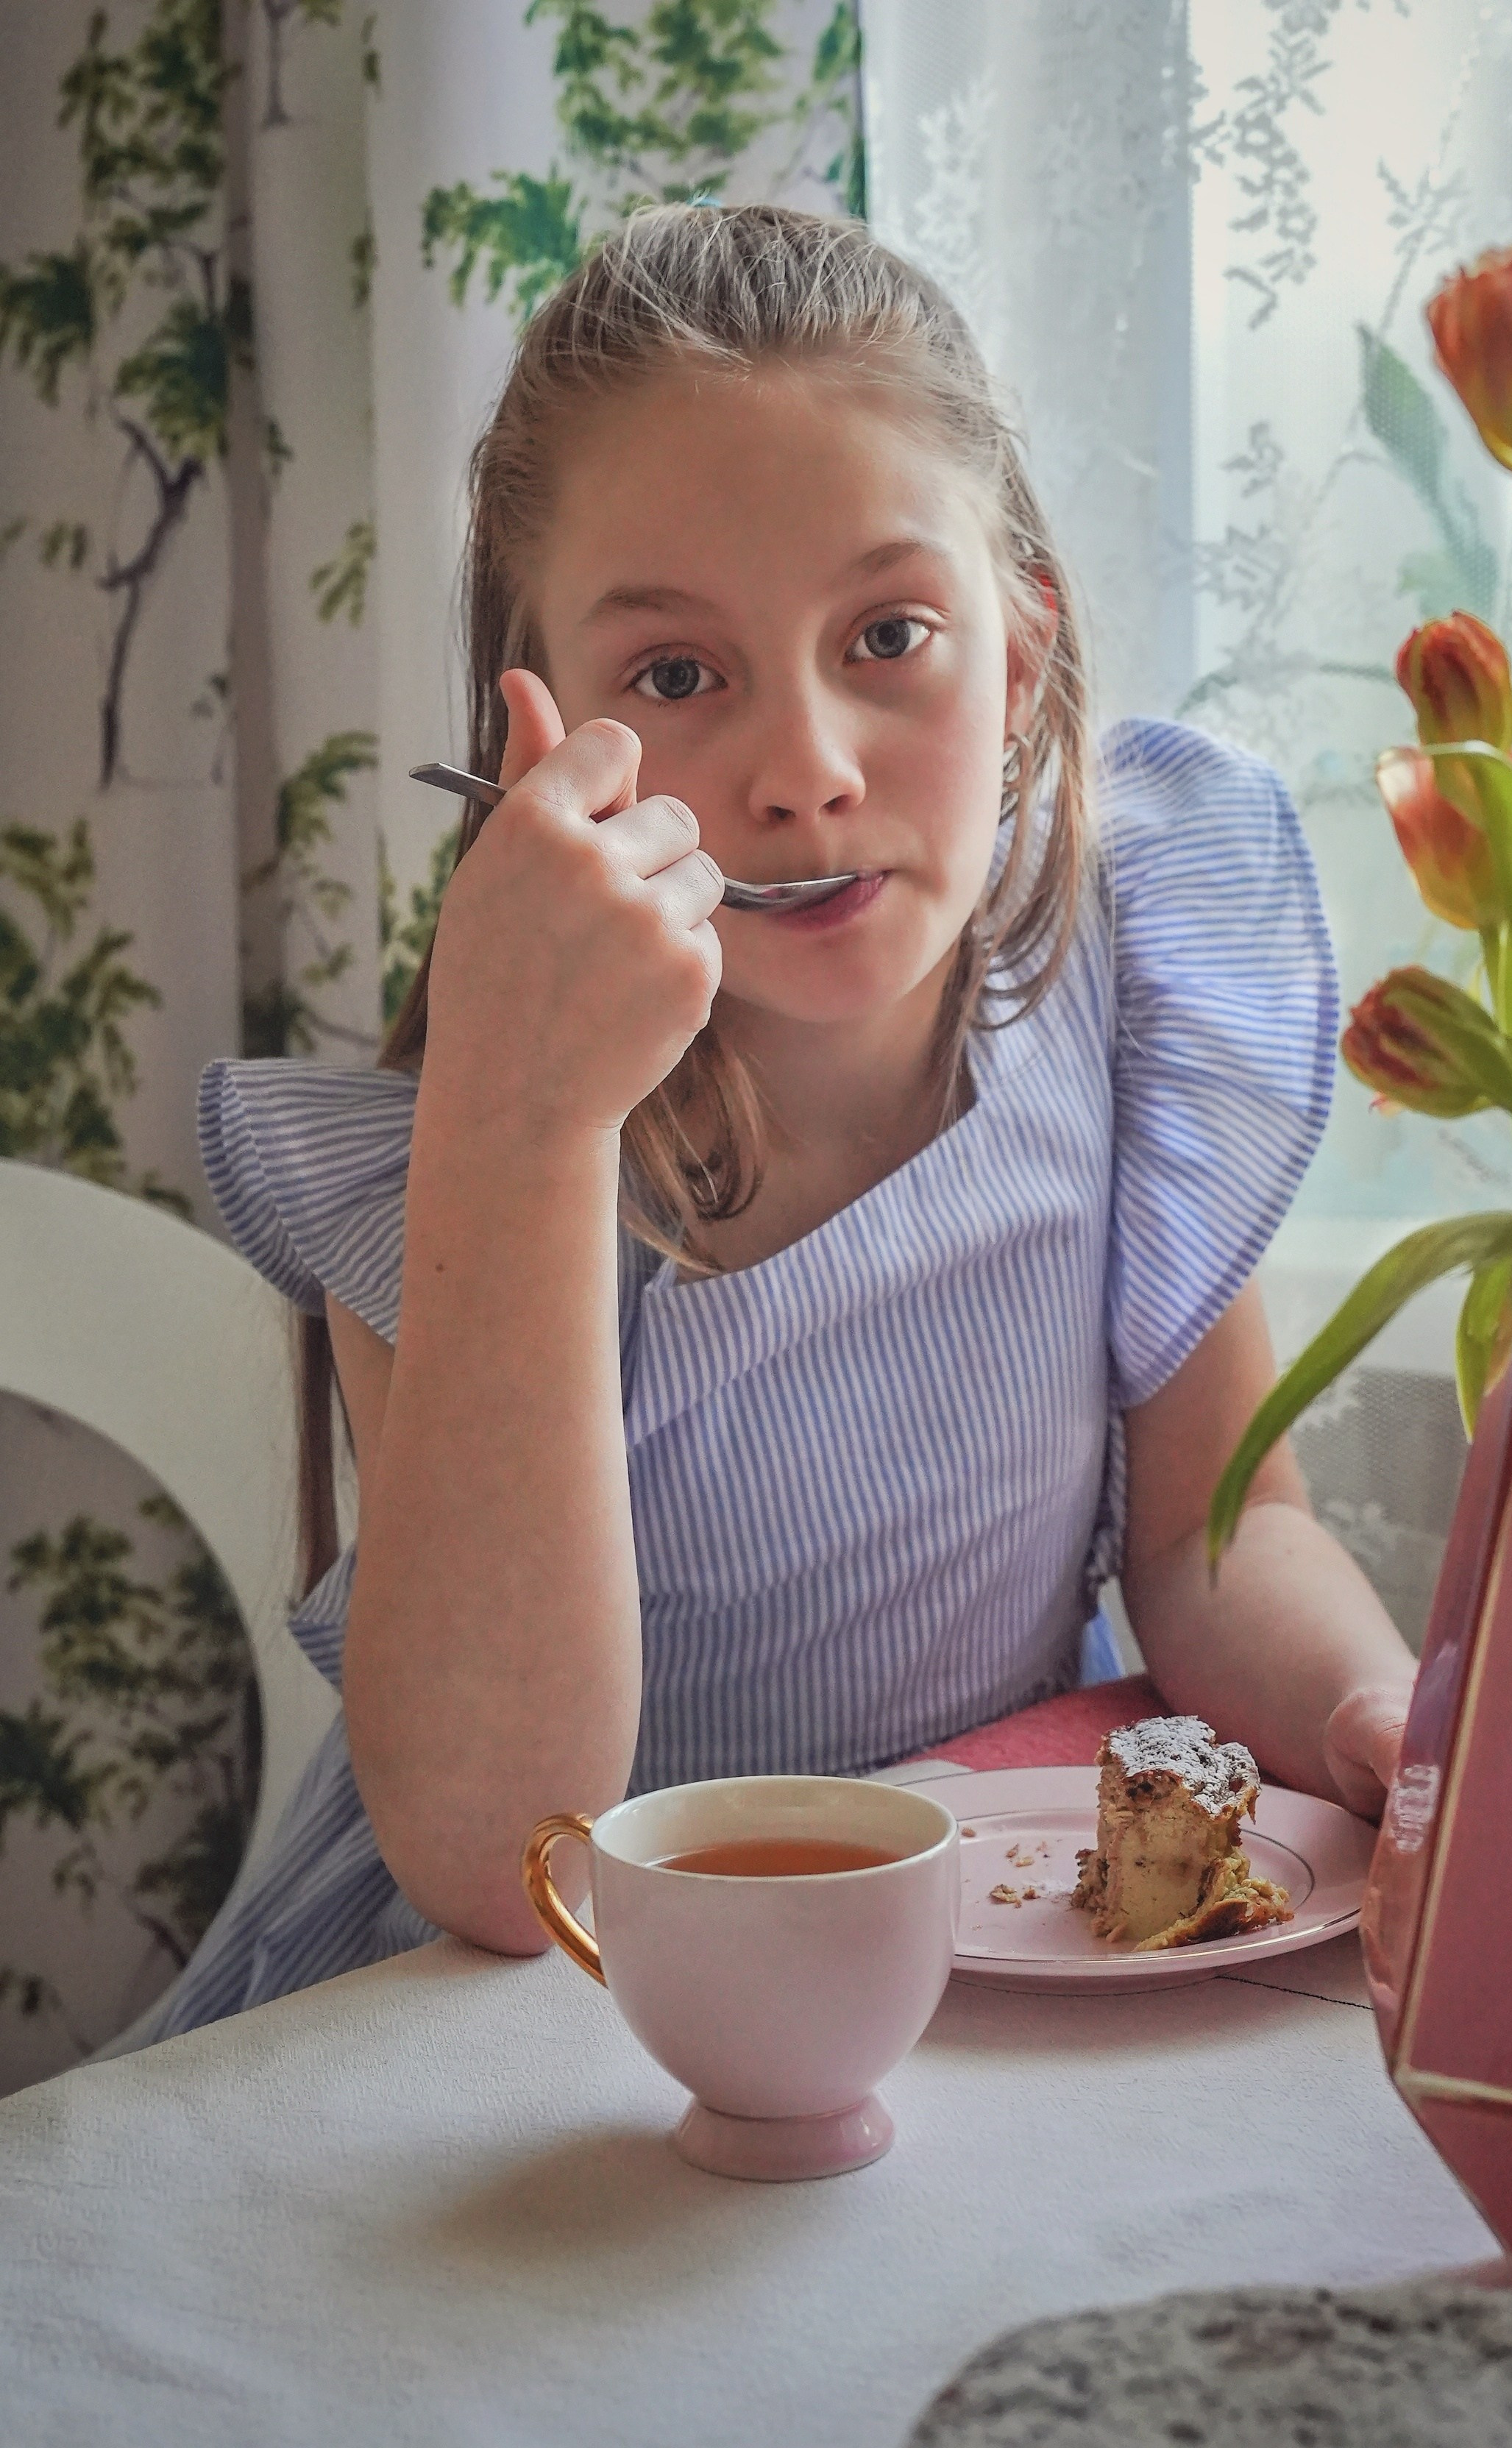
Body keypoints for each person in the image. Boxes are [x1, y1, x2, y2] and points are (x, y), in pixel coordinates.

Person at [146, 203, 1415, 2041]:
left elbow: (1210, 1538)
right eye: (676, 676)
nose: (804, 769)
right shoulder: (461, 1153)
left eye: (888, 635)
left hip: (957, 1964)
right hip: (527, 2021)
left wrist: (1376, 1711)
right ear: (536, 748)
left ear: (1021, 664)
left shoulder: (1121, 986)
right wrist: (522, 1124)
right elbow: (508, 1852)